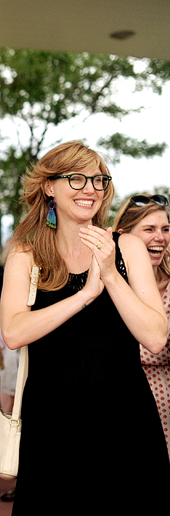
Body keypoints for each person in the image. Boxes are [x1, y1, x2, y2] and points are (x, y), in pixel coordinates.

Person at [1, 141, 170, 513]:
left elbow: (156, 336)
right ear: (49, 187)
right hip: (53, 425)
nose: (90, 189)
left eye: (99, 180)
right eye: (76, 178)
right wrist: (85, 294)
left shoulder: (126, 248)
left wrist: (109, 274)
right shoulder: (26, 254)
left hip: (124, 422)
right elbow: (13, 333)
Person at [113, 193, 170, 455]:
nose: (160, 237)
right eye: (149, 229)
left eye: (166, 229)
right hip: (119, 404)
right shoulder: (106, 285)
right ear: (124, 236)